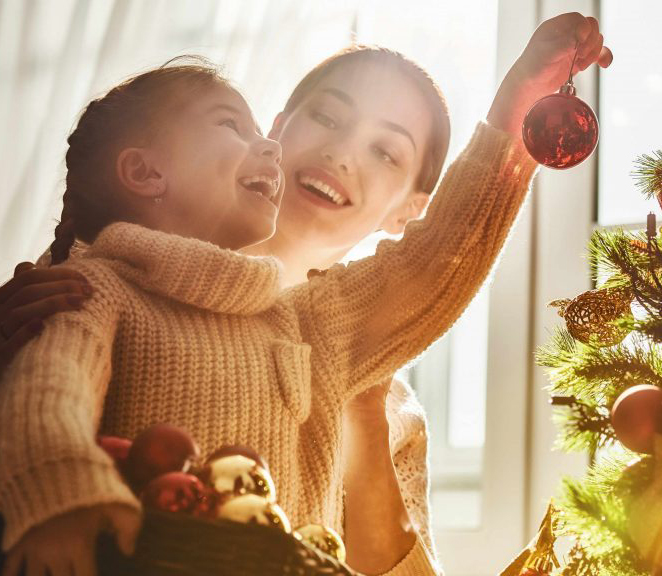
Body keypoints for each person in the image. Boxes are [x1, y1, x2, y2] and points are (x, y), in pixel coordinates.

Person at [0, 12, 612, 576]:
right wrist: (59, 493)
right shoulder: (78, 286)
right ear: (279, 131)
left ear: (409, 212)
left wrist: (516, 114)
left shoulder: (331, 337)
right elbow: (44, 406)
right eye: (327, 117)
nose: (342, 153)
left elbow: (435, 261)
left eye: (384, 150)